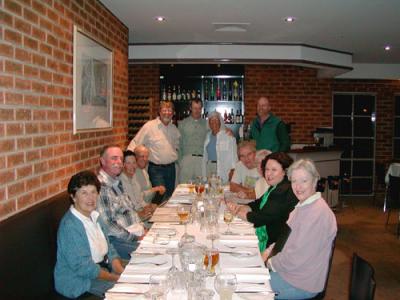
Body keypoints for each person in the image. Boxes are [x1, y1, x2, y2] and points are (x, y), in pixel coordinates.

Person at [267, 159, 337, 299]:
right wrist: (270, 251)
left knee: (249, 290)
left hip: (301, 283)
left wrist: (270, 262)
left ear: (315, 181)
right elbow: (288, 240)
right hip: (292, 273)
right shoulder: (304, 205)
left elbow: (296, 257)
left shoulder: (318, 214)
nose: (298, 187)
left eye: (304, 181)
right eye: (294, 181)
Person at [54, 171, 124, 298]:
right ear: (73, 197)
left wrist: (122, 273)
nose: (90, 198)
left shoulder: (95, 215)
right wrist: (116, 278)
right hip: (80, 282)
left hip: (102, 271)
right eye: (84, 193)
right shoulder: (70, 226)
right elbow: (84, 268)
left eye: (93, 192)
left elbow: (110, 251)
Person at [226, 152, 298, 253]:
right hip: (271, 237)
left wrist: (236, 212)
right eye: (267, 169)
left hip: (276, 246)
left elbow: (260, 218)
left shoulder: (282, 190)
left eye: (274, 170)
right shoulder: (276, 186)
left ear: (284, 171)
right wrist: (240, 207)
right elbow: (257, 203)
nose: (269, 173)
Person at [97, 145, 145, 260]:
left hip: (133, 233)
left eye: (120, 159)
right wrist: (136, 238)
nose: (119, 162)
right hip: (117, 242)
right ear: (102, 161)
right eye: (114, 158)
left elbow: (131, 211)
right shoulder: (102, 187)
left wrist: (143, 229)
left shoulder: (116, 182)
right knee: (156, 255)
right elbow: (108, 225)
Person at [127, 100, 180, 198]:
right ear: (159, 112)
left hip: (171, 169)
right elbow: (135, 143)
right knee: (160, 197)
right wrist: (129, 161)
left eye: (170, 110)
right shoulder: (149, 126)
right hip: (156, 170)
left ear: (173, 113)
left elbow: (177, 146)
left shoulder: (174, 129)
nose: (167, 113)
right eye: (164, 110)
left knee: (169, 197)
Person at [120, 150, 156, 224]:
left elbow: (140, 200)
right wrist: (142, 212)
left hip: (144, 216)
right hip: (135, 221)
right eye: (128, 163)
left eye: (134, 163)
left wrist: (148, 206)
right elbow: (125, 212)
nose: (132, 166)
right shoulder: (120, 184)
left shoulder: (134, 179)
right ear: (123, 165)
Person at [202, 111, 238, 183]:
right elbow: (205, 156)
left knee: (222, 190)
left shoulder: (228, 135)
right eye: (211, 120)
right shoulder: (207, 136)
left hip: (223, 168)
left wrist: (233, 170)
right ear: (208, 123)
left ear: (220, 122)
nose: (214, 122)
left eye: (216, 120)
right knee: (210, 190)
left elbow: (234, 155)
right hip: (210, 167)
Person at [178, 99, 208, 183]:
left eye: (199, 108)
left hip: (201, 161)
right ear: (190, 108)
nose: (197, 111)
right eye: (195, 108)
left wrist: (227, 130)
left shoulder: (207, 124)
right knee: (184, 188)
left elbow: (218, 128)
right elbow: (178, 144)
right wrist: (181, 161)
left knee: (201, 189)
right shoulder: (182, 124)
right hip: (187, 160)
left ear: (202, 108)